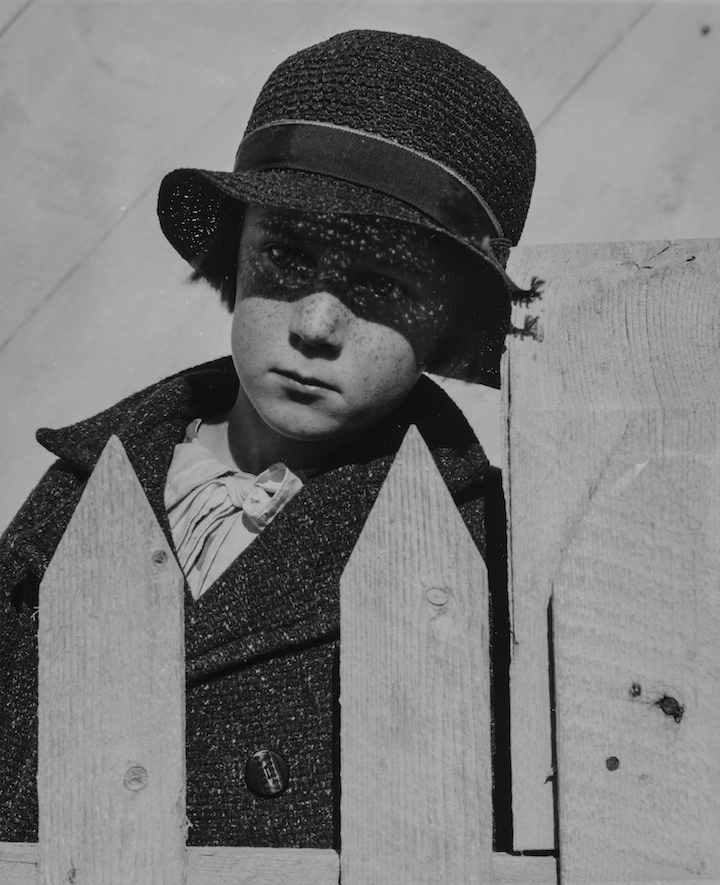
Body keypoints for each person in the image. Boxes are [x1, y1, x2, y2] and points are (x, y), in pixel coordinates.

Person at [0, 29, 537, 849]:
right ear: (234, 255)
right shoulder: (86, 486)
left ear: (452, 319)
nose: (317, 324)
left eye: (382, 283)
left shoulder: (482, 545)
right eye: (286, 256)